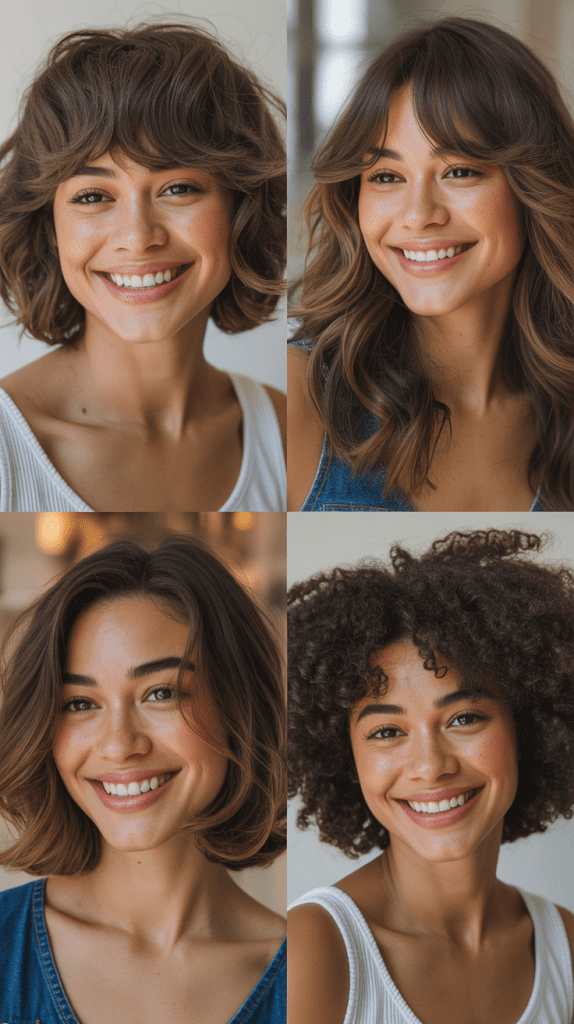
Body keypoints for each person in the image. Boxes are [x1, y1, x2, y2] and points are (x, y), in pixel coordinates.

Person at [288, 528, 574, 1024]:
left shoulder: (564, 945)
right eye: (386, 731)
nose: (431, 766)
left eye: (464, 718)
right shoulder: (312, 950)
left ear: (528, 727)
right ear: (345, 756)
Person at [288, 17, 574, 512]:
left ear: (532, 187)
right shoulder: (299, 397)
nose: (419, 215)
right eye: (386, 176)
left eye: (459, 171)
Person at [0, 20, 286, 512]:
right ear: (49, 225)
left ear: (241, 207)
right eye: (93, 196)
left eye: (178, 188)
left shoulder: (287, 430)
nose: (137, 238)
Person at [0, 536, 286, 1023]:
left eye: (160, 693)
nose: (119, 745)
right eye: (80, 703)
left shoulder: (318, 976)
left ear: (239, 706)